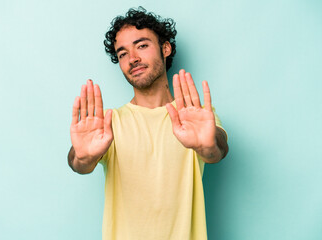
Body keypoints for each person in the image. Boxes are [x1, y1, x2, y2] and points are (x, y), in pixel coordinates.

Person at [68, 7, 228, 240]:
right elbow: (78, 162)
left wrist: (208, 146)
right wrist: (82, 158)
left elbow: (217, 150)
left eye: (141, 45)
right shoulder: (108, 123)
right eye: (122, 53)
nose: (132, 58)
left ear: (165, 48)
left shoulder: (196, 117)